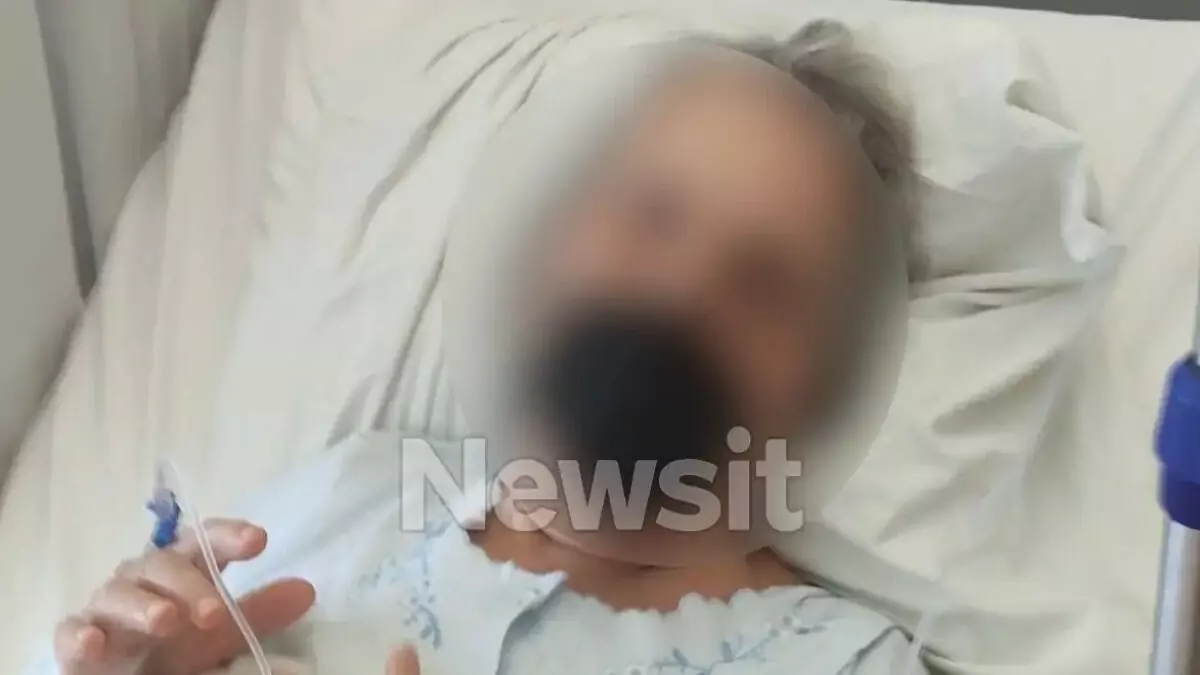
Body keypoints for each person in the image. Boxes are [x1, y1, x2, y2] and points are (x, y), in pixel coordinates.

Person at [43, 20, 923, 675]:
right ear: (559, 237)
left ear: (821, 380)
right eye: (652, 214)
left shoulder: (846, 662)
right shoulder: (349, 495)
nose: (680, 291)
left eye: (764, 283)